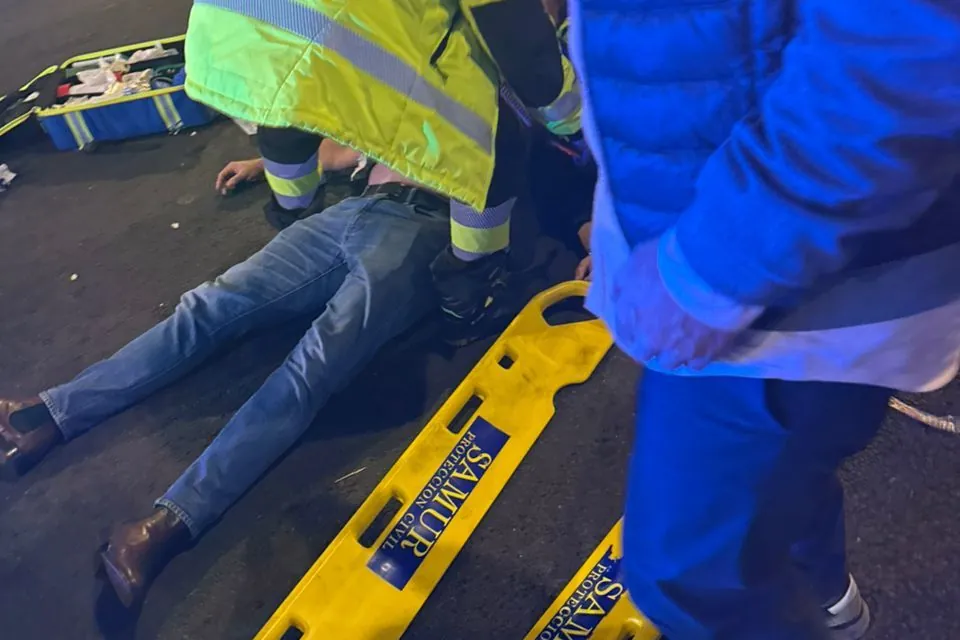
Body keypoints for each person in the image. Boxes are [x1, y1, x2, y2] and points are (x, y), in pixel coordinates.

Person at [569, 0, 960, 638]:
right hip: (743, 240)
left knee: (689, 578)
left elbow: (908, 48)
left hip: (780, 285)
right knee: (775, 498)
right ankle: (825, 603)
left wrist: (711, 269)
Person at [0, 139, 451, 608]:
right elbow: (342, 149)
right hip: (356, 208)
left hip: (426, 229)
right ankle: (46, 415)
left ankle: (166, 525)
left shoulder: (492, 108)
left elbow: (493, 205)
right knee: (210, 305)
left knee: (311, 371)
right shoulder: (409, 100)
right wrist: (264, 162)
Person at [183, 0, 583, 345]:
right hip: (348, 51)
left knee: (287, 104)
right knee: (493, 140)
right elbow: (526, 53)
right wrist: (573, 121)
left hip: (243, 30)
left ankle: (294, 213)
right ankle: (468, 297)